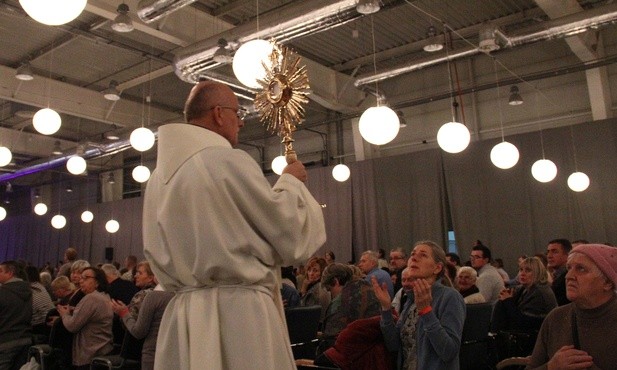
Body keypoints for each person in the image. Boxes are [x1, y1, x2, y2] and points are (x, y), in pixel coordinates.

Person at [142, 81, 326, 370]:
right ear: (218, 114)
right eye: (237, 113)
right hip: (237, 315)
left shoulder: (157, 179)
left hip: (184, 314)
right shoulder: (224, 160)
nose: (240, 122)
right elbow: (287, 234)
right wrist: (291, 182)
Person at [372, 241, 466, 370]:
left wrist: (426, 311)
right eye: (412, 254)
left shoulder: (450, 297)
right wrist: (386, 309)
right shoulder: (411, 298)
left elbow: (449, 352)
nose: (414, 258)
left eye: (423, 255)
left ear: (437, 268)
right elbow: (394, 345)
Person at [527, 244, 617, 370]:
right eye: (568, 268)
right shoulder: (556, 318)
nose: (568, 276)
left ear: (607, 282)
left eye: (581, 269)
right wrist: (551, 367)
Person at [492, 257, 557, 360]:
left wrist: (507, 301)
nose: (522, 273)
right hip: (525, 337)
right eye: (521, 269)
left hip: (535, 341)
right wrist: (507, 298)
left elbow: (523, 322)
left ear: (537, 273)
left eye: (528, 270)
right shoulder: (525, 288)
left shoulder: (540, 291)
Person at [317, 263, 381, 356]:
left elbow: (331, 341)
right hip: (375, 354)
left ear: (336, 281)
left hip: (350, 358)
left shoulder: (340, 302)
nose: (331, 295)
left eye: (330, 289)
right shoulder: (369, 288)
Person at [56, 267, 113, 370]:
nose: (81, 280)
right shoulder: (104, 296)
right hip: (102, 350)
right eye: (81, 278)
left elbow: (72, 326)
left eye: (86, 278)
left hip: (89, 353)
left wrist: (64, 314)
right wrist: (74, 310)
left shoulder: (91, 298)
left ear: (97, 282)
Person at [111, 284, 175, 370]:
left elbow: (138, 332)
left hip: (153, 354)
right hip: (174, 353)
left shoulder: (154, 296)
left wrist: (124, 313)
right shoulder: (183, 296)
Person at [0, 261, 32, 370]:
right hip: (25, 340)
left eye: (0, 271)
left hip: (5, 341)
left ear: (10, 273)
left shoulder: (3, 292)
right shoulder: (29, 290)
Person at [300, 257, 331, 323]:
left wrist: (303, 292)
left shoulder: (314, 291)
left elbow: (303, 313)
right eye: (309, 270)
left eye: (315, 270)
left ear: (322, 272)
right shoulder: (325, 287)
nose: (311, 273)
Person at [546, 238, 572, 306]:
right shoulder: (555, 276)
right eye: (548, 252)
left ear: (567, 255)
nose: (549, 256)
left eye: (554, 252)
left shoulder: (570, 277)